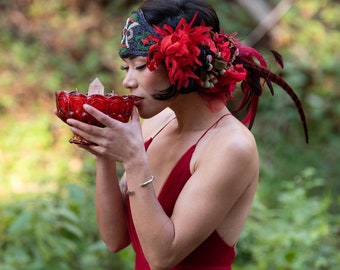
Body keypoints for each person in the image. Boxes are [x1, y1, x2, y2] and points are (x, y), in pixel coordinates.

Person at [66, 0, 308, 269]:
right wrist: (104, 151)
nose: (127, 81)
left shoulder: (231, 146)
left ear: (180, 62)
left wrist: (134, 160)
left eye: (141, 66)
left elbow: (162, 257)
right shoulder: (158, 123)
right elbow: (114, 239)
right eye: (127, 67)